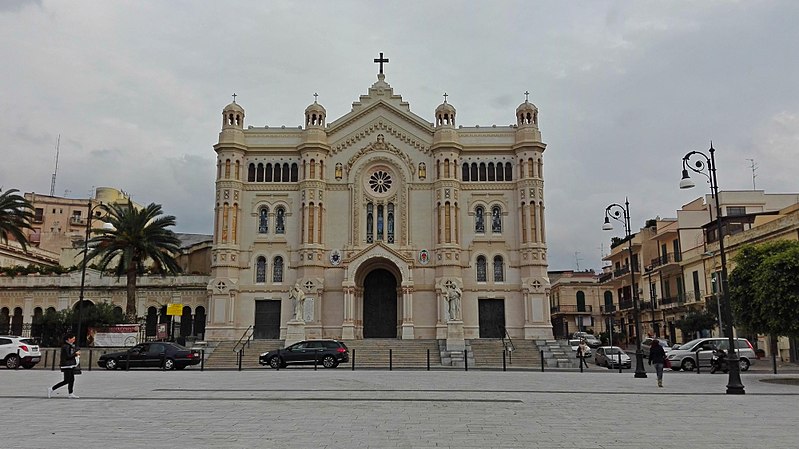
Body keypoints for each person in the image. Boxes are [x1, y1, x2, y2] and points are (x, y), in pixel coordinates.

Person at [48, 333, 80, 399]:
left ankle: (70, 393)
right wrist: (75, 354)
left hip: (70, 365)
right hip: (66, 365)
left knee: (71, 379)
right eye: (73, 339)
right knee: (67, 380)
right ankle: (52, 388)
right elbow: (68, 356)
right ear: (69, 339)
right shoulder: (66, 346)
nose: (74, 340)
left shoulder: (69, 346)